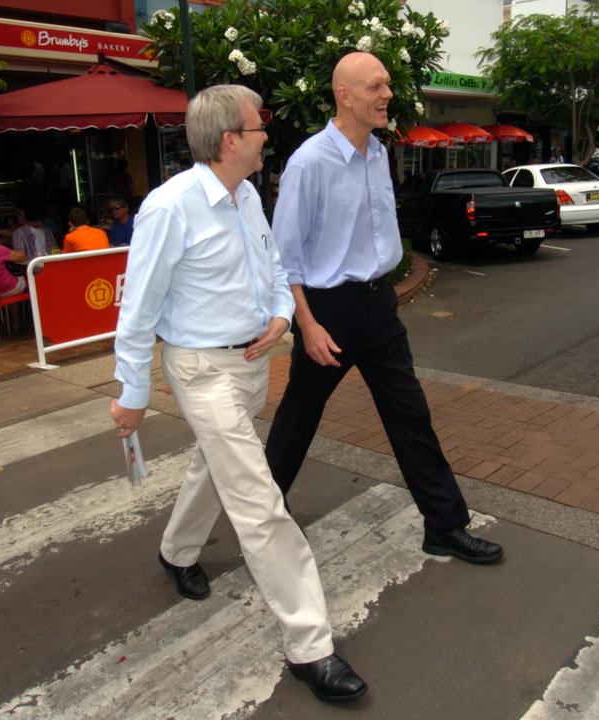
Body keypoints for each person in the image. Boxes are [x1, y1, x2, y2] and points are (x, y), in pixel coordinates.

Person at [109, 84, 367, 703]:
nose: (266, 137)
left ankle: (177, 551)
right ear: (230, 140)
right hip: (200, 370)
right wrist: (132, 390)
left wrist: (281, 317)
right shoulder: (170, 208)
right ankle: (312, 645)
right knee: (258, 498)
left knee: (215, 465)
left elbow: (275, 270)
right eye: (260, 128)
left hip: (251, 364)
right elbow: (137, 307)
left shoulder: (247, 194)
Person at [265, 52, 504, 566]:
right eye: (376, 86)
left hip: (379, 307)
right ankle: (262, 515)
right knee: (298, 417)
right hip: (327, 312)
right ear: (344, 95)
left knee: (410, 414)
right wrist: (305, 324)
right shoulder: (310, 162)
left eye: (388, 85)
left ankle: (444, 526)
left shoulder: (377, 152)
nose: (387, 95)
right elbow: (284, 255)